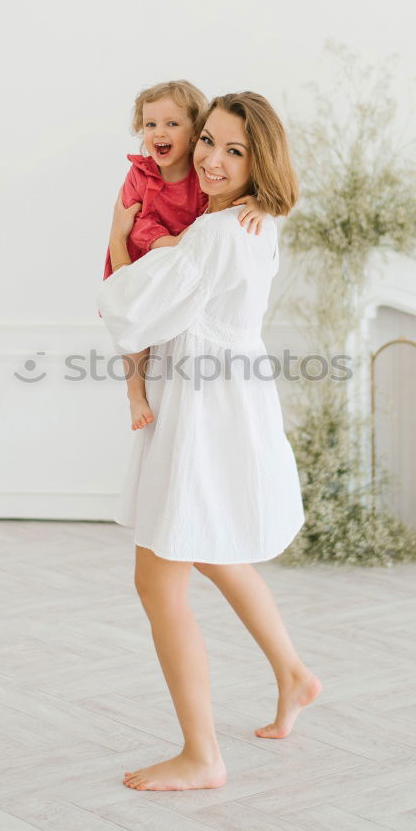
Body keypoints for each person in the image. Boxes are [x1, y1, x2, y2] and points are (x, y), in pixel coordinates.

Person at [97, 92, 322, 792]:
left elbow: (126, 307)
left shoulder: (216, 233)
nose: (211, 159)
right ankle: (292, 673)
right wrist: (174, 246)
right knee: (209, 547)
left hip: (201, 406)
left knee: (158, 577)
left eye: (233, 150)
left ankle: (202, 755)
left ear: (260, 162)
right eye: (209, 143)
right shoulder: (252, 224)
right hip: (229, 400)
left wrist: (125, 238)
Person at [101, 79, 266, 432]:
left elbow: (223, 202)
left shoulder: (201, 173)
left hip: (180, 258)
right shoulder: (141, 173)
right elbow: (135, 225)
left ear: (194, 133)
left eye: (172, 124)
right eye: (150, 124)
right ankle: (135, 393)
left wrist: (260, 202)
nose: (159, 132)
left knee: (145, 327)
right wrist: (170, 242)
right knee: (133, 340)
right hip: (140, 255)